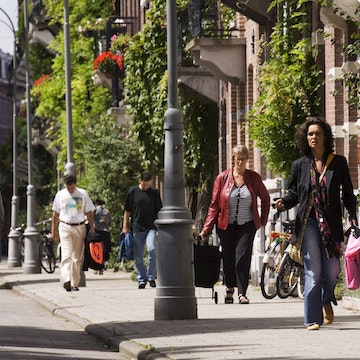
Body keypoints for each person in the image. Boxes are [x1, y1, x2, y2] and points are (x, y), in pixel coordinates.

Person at [274, 117, 358, 330]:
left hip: (331, 223)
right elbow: (294, 193)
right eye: (310, 134)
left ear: (324, 137)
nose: (313, 137)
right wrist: (283, 202)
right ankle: (312, 318)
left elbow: (348, 193)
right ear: (306, 138)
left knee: (331, 272)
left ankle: (325, 298)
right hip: (308, 223)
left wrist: (352, 216)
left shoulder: (338, 163)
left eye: (317, 133)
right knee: (313, 271)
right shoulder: (300, 165)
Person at [200, 145, 270, 304]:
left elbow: (265, 199)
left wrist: (262, 221)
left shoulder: (253, 178)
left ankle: (242, 292)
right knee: (229, 258)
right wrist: (206, 229)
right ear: (233, 159)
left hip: (247, 224)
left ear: (247, 160)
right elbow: (214, 205)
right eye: (237, 158)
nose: (240, 162)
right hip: (226, 224)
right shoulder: (222, 178)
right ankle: (229, 289)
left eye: (243, 159)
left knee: (242, 257)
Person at [51, 173, 95, 292]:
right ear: (64, 185)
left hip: (80, 227)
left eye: (72, 187)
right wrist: (53, 229)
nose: (70, 189)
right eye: (68, 187)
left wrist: (92, 227)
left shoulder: (82, 193)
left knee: (77, 257)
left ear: (75, 184)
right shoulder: (60, 194)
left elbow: (89, 212)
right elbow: (55, 213)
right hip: (65, 226)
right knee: (66, 255)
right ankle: (66, 280)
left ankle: (75, 283)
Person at [122, 171, 163, 289]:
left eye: (148, 184)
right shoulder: (133, 192)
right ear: (140, 181)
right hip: (137, 227)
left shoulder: (154, 193)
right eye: (144, 184)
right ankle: (142, 279)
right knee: (138, 255)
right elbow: (127, 210)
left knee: (152, 249)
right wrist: (125, 226)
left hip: (151, 227)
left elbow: (159, 210)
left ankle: (151, 276)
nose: (146, 186)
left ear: (150, 182)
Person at [94, 199, 112, 274]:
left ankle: (96, 267)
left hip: (96, 231)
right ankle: (102, 265)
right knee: (104, 249)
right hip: (105, 232)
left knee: (96, 249)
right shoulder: (107, 211)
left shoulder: (94, 211)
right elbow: (110, 223)